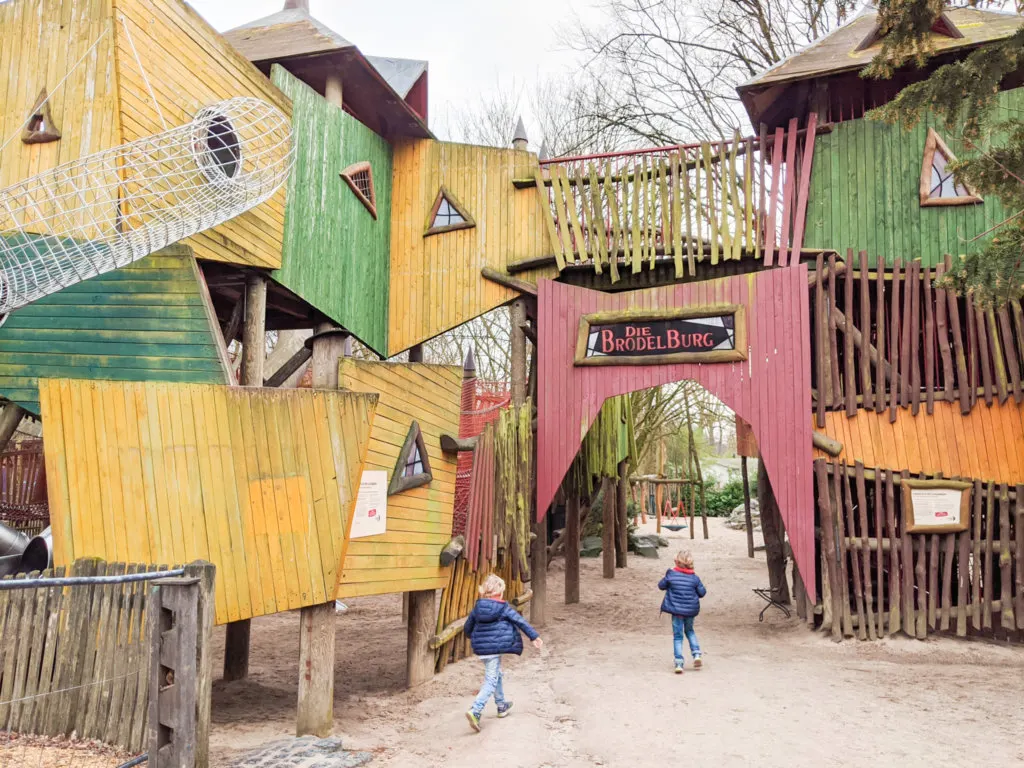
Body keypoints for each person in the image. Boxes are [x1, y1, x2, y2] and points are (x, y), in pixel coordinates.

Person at [463, 573, 543, 732]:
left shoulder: (477, 608)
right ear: (500, 592)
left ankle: (501, 705)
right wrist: (534, 636)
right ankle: (476, 710)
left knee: (497, 674)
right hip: (495, 649)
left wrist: (476, 638)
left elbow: (467, 628)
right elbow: (519, 621)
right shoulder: (503, 607)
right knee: (491, 680)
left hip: (482, 649)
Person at [658, 550, 706, 673]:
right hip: (690, 611)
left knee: (678, 637)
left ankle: (679, 663)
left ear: (676, 562)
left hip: (676, 611)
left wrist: (668, 574)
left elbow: (661, 585)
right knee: (690, 631)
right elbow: (702, 593)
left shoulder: (671, 574)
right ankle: (696, 654)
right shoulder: (694, 578)